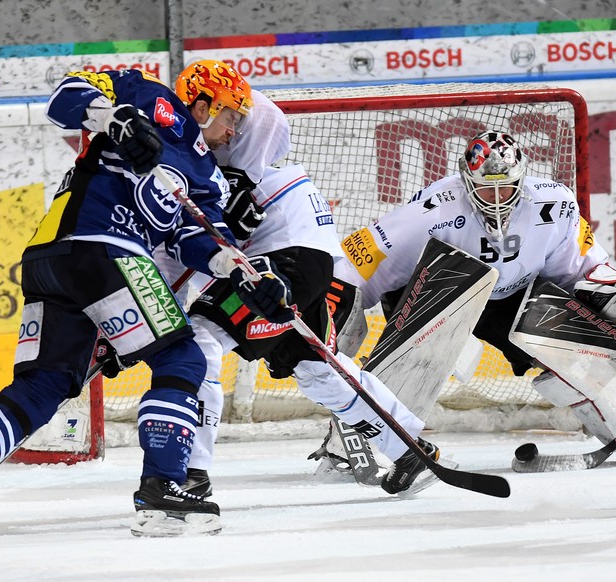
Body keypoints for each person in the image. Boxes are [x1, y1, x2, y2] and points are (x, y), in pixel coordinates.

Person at [0, 62, 293, 538]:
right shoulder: (145, 92)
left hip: (52, 261)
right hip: (100, 247)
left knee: (40, 389)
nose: (235, 130)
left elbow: (201, 240)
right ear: (204, 102)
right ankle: (163, 488)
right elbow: (64, 97)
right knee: (181, 356)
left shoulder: (208, 177)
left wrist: (252, 279)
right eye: (233, 114)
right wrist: (111, 118)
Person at [321, 130, 616, 466]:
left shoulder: (554, 205)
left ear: (523, 179)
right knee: (426, 352)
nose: (496, 199)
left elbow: (585, 268)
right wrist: (337, 311)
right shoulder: (433, 208)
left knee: (580, 339)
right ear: (466, 182)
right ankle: (353, 446)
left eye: (506, 188)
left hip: (508, 298)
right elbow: (358, 261)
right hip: (434, 293)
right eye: (485, 189)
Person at [169, 81, 439, 499]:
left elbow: (267, 118)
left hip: (287, 257)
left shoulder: (221, 115)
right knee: (319, 371)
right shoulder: (191, 149)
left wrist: (240, 175)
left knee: (197, 343)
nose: (233, 129)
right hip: (306, 258)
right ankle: (410, 449)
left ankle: (191, 473)